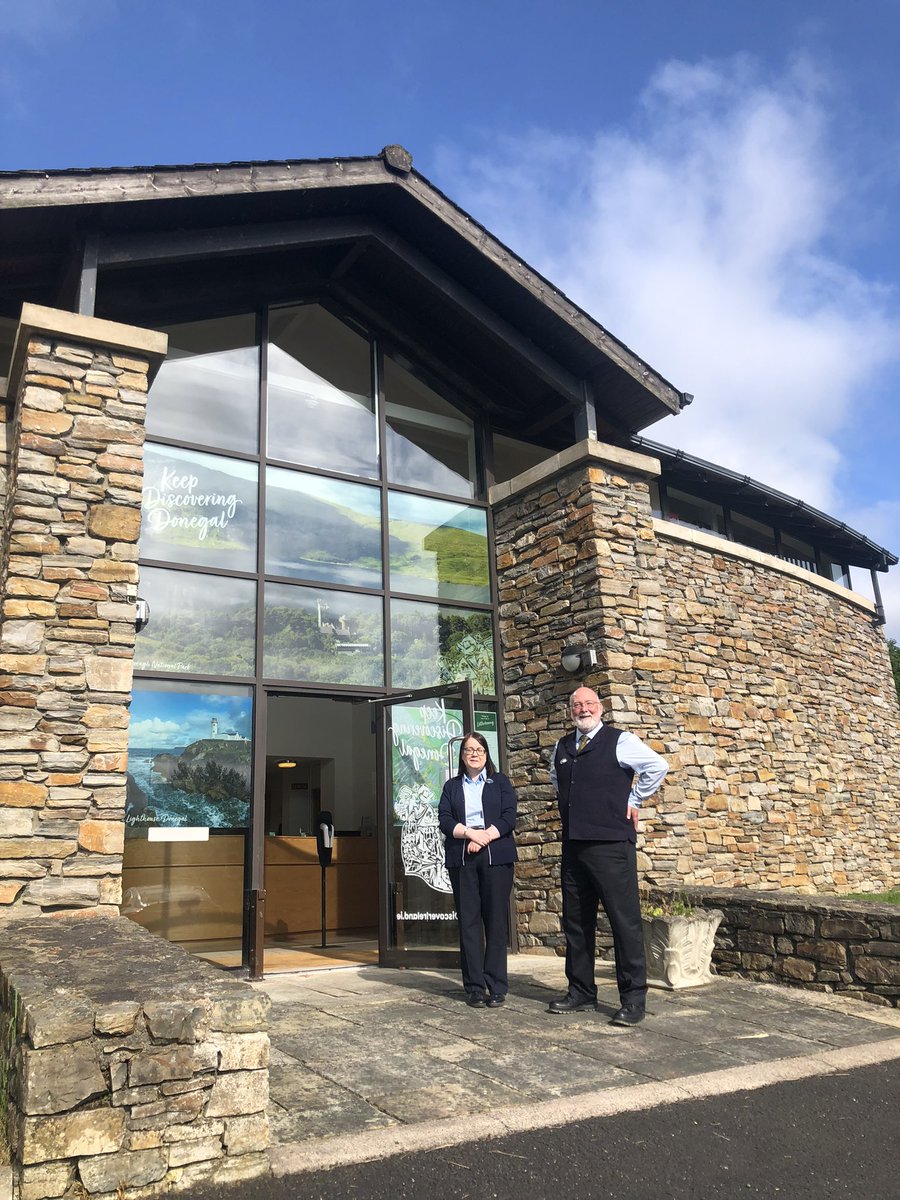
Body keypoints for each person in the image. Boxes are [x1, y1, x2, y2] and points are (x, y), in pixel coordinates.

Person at [548, 687, 668, 1026]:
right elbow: (558, 781)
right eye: (576, 705)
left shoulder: (621, 741)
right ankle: (581, 991)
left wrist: (635, 801)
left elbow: (658, 766)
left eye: (588, 704)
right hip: (574, 845)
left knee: (624, 922)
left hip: (611, 845)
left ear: (599, 708)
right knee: (576, 922)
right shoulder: (561, 746)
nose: (582, 709)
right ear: (569, 709)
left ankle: (633, 1000)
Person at [438, 732, 518, 1008]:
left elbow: (509, 816)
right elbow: (445, 820)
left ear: (486, 754)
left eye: (479, 749)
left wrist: (485, 837)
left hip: (496, 857)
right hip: (463, 858)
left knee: (495, 922)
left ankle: (496, 986)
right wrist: (472, 835)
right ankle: (474, 987)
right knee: (469, 923)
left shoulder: (501, 783)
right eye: (469, 750)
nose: (474, 754)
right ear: (462, 756)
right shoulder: (451, 787)